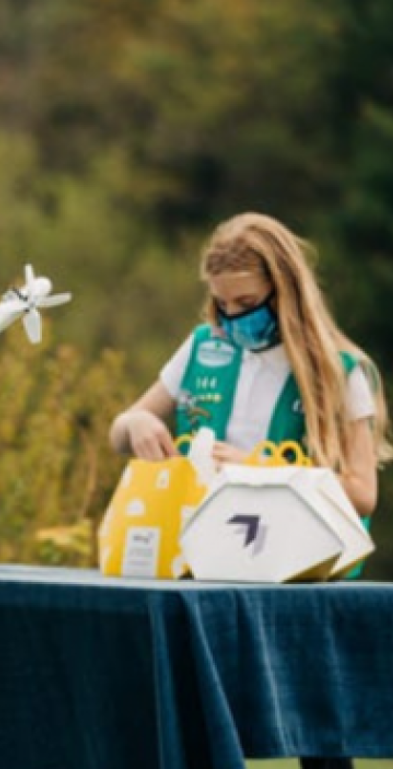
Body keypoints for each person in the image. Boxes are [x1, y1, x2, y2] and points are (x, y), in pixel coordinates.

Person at [109, 212, 391, 770]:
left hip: (301, 582)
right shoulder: (202, 349)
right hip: (204, 568)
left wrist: (259, 471)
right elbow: (122, 429)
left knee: (318, 738)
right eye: (221, 306)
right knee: (192, 725)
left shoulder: (342, 369)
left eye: (246, 304)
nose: (231, 319)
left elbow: (361, 493)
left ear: (283, 291)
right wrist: (134, 423)